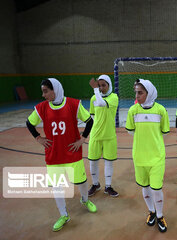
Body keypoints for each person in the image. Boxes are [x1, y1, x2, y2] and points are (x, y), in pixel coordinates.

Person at [26, 78, 97, 232]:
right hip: (53, 155)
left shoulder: (73, 104)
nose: (43, 95)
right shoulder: (42, 108)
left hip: (72, 152)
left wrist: (82, 139)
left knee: (81, 181)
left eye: (46, 91)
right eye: (43, 91)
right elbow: (29, 123)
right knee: (57, 186)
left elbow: (89, 121)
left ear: (55, 90)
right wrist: (38, 138)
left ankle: (85, 200)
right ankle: (64, 215)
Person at [125, 79, 170, 233]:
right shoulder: (133, 111)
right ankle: (152, 211)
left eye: (141, 92)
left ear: (149, 92)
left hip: (157, 156)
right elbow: (130, 131)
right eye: (136, 92)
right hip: (139, 156)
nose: (137, 95)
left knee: (156, 188)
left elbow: (164, 132)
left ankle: (160, 215)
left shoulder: (161, 110)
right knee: (145, 186)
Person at [88, 75, 119, 197]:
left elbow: (101, 103)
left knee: (108, 162)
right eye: (99, 85)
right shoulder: (93, 99)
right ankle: (95, 184)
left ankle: (108, 186)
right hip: (95, 135)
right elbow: (92, 115)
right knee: (93, 162)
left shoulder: (114, 97)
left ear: (109, 85)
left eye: (103, 85)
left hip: (109, 135)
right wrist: (97, 126)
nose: (101, 88)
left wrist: (95, 89)